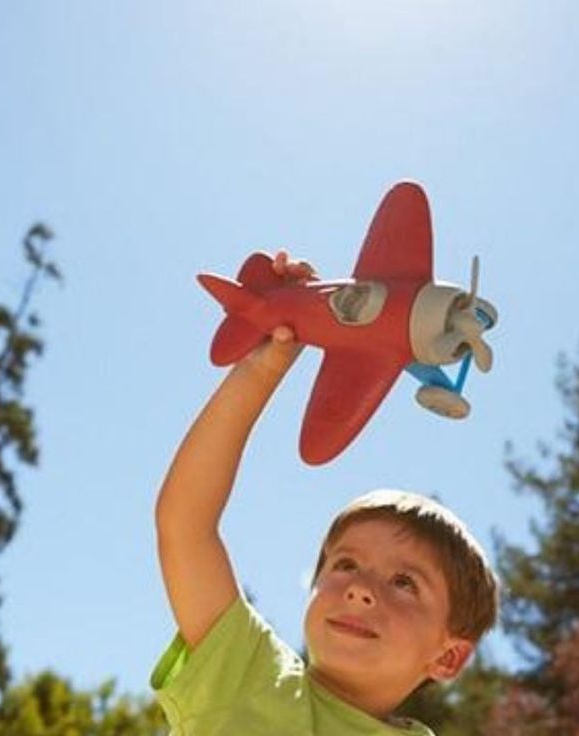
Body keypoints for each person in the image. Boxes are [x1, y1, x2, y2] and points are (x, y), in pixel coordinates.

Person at [151, 252, 499, 735]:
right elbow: (185, 524)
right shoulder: (249, 675)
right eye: (345, 565)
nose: (359, 589)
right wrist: (262, 366)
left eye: (404, 583)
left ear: (448, 657)